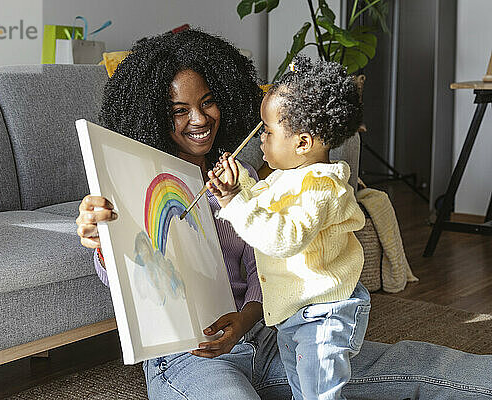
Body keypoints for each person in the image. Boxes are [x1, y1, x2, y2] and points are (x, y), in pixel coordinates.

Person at [76, 28, 492, 400]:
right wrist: (104, 240)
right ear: (152, 115)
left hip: (273, 336)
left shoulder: (257, 178)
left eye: (207, 102)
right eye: (179, 110)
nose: (199, 119)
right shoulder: (139, 181)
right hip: (191, 354)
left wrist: (246, 319)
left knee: (426, 370)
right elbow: (140, 278)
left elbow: (273, 265)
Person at [207, 56, 370, 399]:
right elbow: (261, 205)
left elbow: (285, 237)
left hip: (324, 313)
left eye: (267, 131)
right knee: (302, 389)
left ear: (302, 144)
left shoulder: (323, 187)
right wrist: (235, 189)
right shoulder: (283, 178)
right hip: (293, 310)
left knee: (319, 392)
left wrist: (234, 203)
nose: (261, 139)